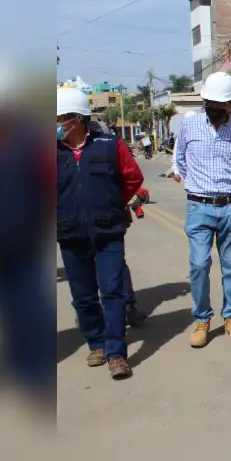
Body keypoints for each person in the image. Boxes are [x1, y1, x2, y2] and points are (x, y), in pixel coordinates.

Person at [56, 87, 144, 380]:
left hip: (108, 232)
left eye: (60, 118)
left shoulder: (110, 144)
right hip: (69, 234)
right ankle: (96, 343)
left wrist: (113, 204)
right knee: (83, 297)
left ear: (77, 119)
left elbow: (133, 177)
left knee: (113, 292)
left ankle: (117, 352)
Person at [175, 72, 231, 348]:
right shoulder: (189, 125)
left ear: (230, 104)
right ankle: (202, 320)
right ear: (204, 100)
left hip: (230, 206)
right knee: (198, 265)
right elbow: (180, 160)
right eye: (211, 103)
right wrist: (196, 184)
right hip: (199, 205)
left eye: (222, 104)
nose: (216, 109)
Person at [86, 118, 147, 325]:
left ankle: (128, 306)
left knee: (116, 263)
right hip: (81, 220)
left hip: (110, 216)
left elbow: (130, 177)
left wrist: (116, 201)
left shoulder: (108, 143)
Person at [163, 110, 199, 180]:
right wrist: (176, 171)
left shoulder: (203, 134)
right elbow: (177, 154)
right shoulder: (182, 136)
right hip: (189, 174)